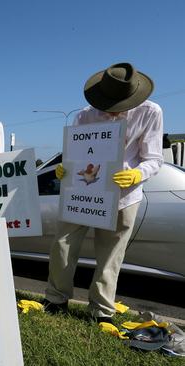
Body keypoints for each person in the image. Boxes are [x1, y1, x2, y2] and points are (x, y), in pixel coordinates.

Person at [43, 63, 164, 324]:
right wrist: (66, 167)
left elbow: (154, 158)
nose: (111, 110)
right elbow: (75, 151)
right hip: (81, 192)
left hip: (124, 195)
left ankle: (101, 311)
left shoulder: (150, 112)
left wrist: (137, 173)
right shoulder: (85, 115)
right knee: (62, 243)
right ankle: (56, 298)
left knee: (111, 254)